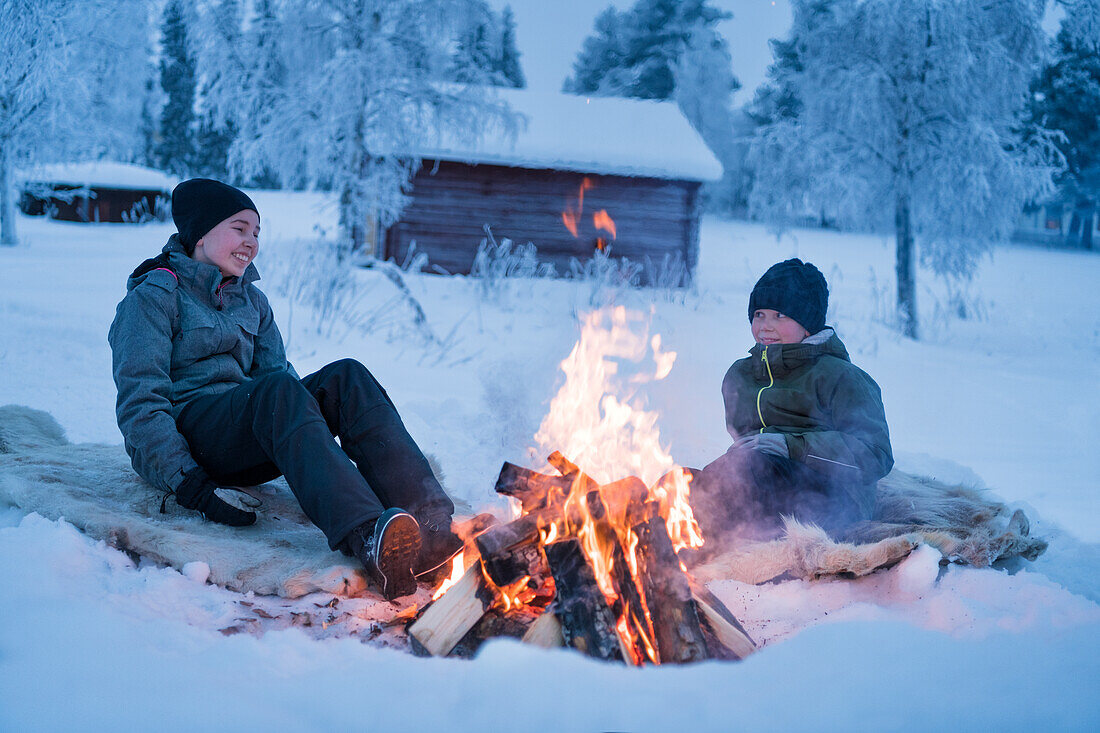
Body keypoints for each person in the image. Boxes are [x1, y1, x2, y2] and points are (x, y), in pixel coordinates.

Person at [108, 178, 461, 600]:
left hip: (251, 430)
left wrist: (312, 432)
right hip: (195, 439)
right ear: (200, 233)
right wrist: (191, 486)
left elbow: (281, 380)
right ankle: (367, 536)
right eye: (240, 229)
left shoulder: (252, 301)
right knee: (277, 389)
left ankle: (432, 528)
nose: (251, 242)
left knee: (345, 377)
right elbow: (139, 403)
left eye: (256, 232)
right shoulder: (154, 298)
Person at [690, 258, 894, 540]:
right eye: (759, 314)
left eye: (779, 316)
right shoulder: (741, 375)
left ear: (808, 324)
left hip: (835, 498)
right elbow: (745, 445)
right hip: (763, 482)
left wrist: (792, 447)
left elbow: (876, 455)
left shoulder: (841, 377)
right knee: (680, 483)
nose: (765, 326)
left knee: (750, 469)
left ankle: (706, 531)